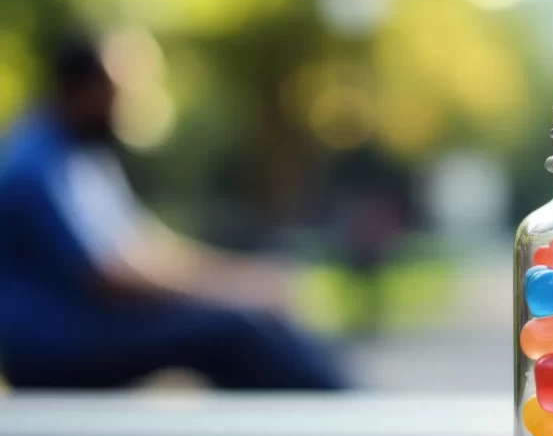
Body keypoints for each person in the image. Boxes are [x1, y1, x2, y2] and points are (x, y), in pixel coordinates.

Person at [0, 37, 346, 389]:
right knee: (236, 331)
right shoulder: (38, 167)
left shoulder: (78, 153)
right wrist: (237, 289)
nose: (128, 104)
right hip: (56, 346)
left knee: (255, 325)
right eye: (119, 90)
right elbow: (110, 277)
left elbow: (144, 247)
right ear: (86, 88)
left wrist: (243, 277)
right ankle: (347, 422)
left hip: (86, 326)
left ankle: (346, 415)